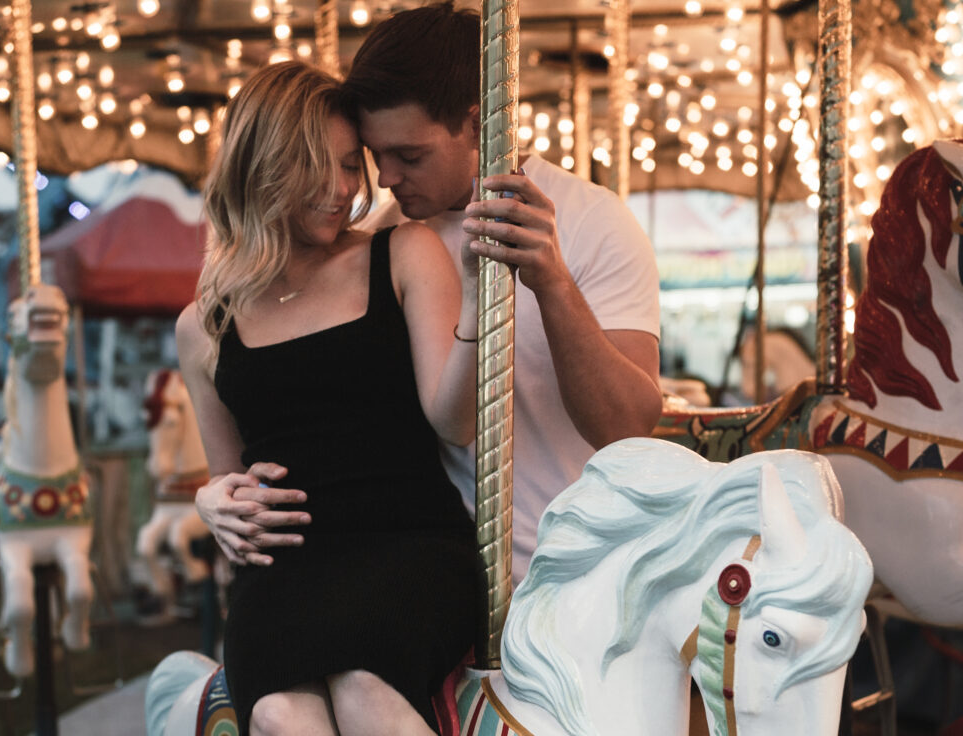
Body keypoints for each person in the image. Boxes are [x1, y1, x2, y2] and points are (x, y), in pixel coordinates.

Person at [202, 1, 665, 584]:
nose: (386, 178)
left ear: (477, 125)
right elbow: (296, 409)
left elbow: (627, 428)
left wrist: (552, 282)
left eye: (409, 155)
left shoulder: (591, 220)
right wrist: (215, 493)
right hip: (423, 569)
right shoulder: (375, 248)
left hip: (576, 569)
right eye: (374, 157)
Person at [176, 60, 485, 735]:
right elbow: (230, 486)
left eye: (352, 165)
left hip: (409, 546)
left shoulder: (405, 252)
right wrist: (211, 500)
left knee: (366, 694)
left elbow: (456, 422)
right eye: (317, 168)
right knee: (285, 718)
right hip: (282, 573)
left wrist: (477, 302)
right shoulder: (203, 325)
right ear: (263, 166)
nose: (343, 189)